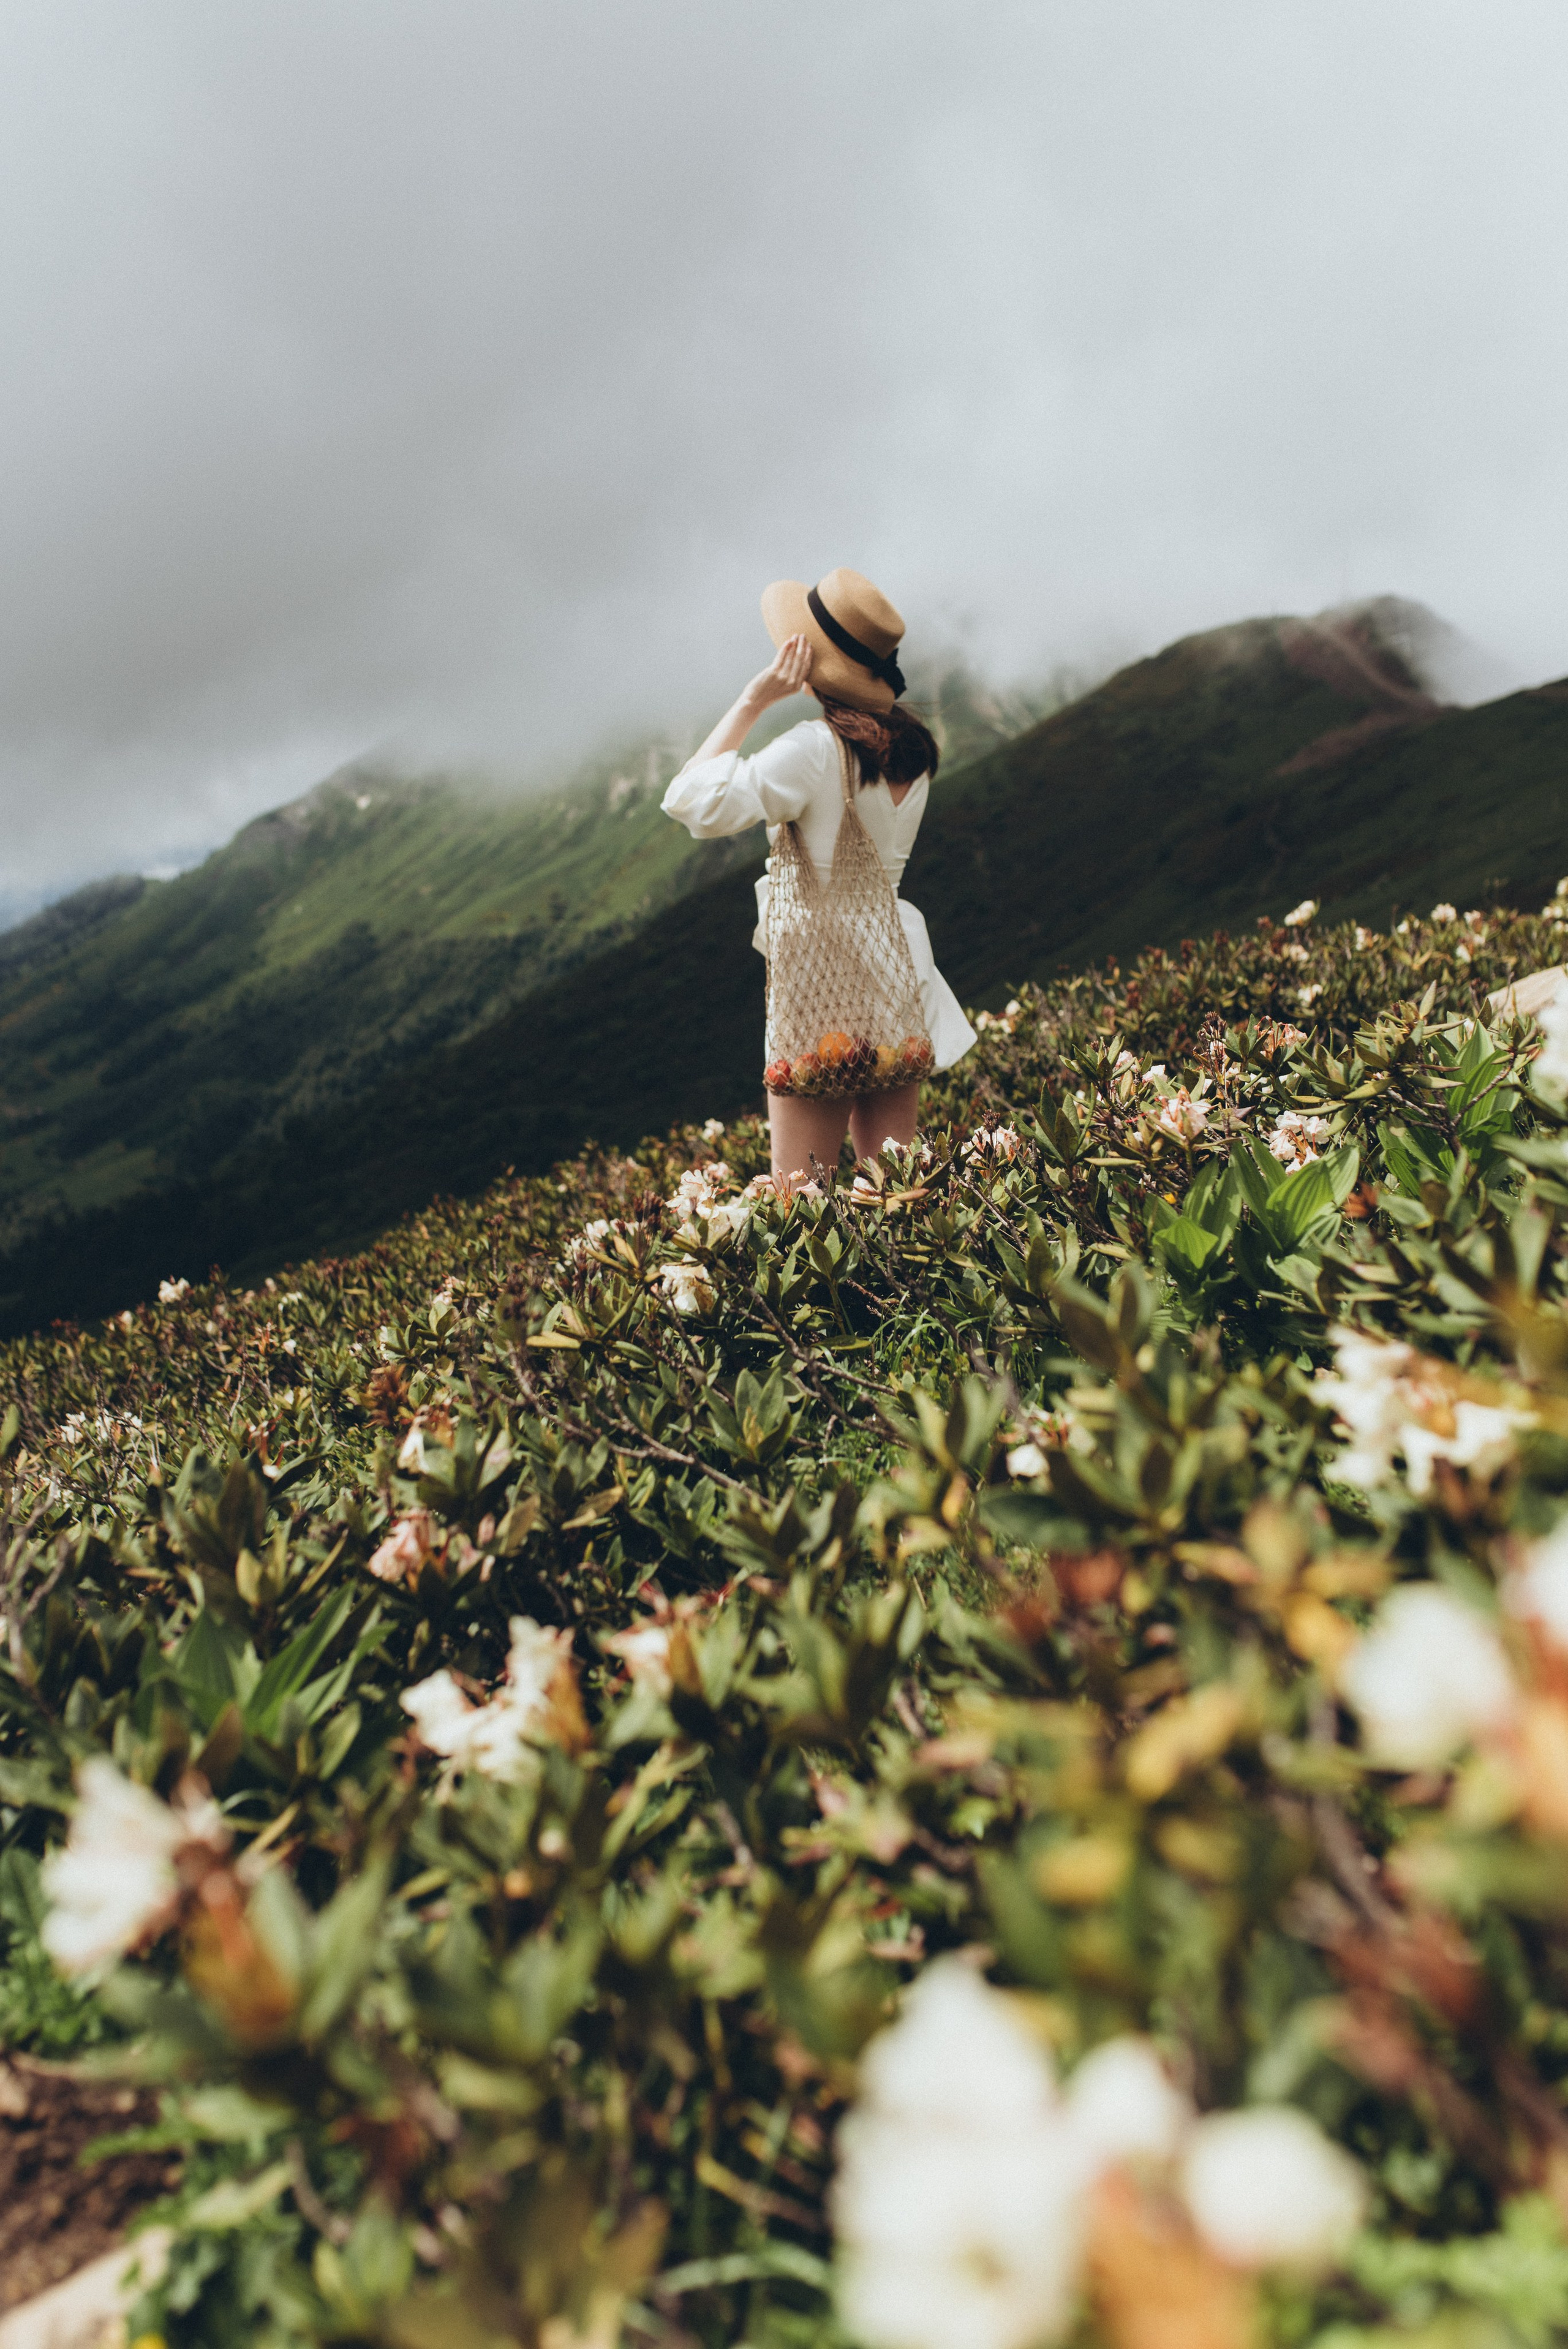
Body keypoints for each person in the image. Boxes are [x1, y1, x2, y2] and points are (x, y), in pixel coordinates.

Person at [661, 567, 976, 1182]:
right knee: (894, 1185)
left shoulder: (813, 749)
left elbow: (692, 800)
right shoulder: (912, 750)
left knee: (801, 1194)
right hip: (896, 966)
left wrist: (753, 700)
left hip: (823, 983)